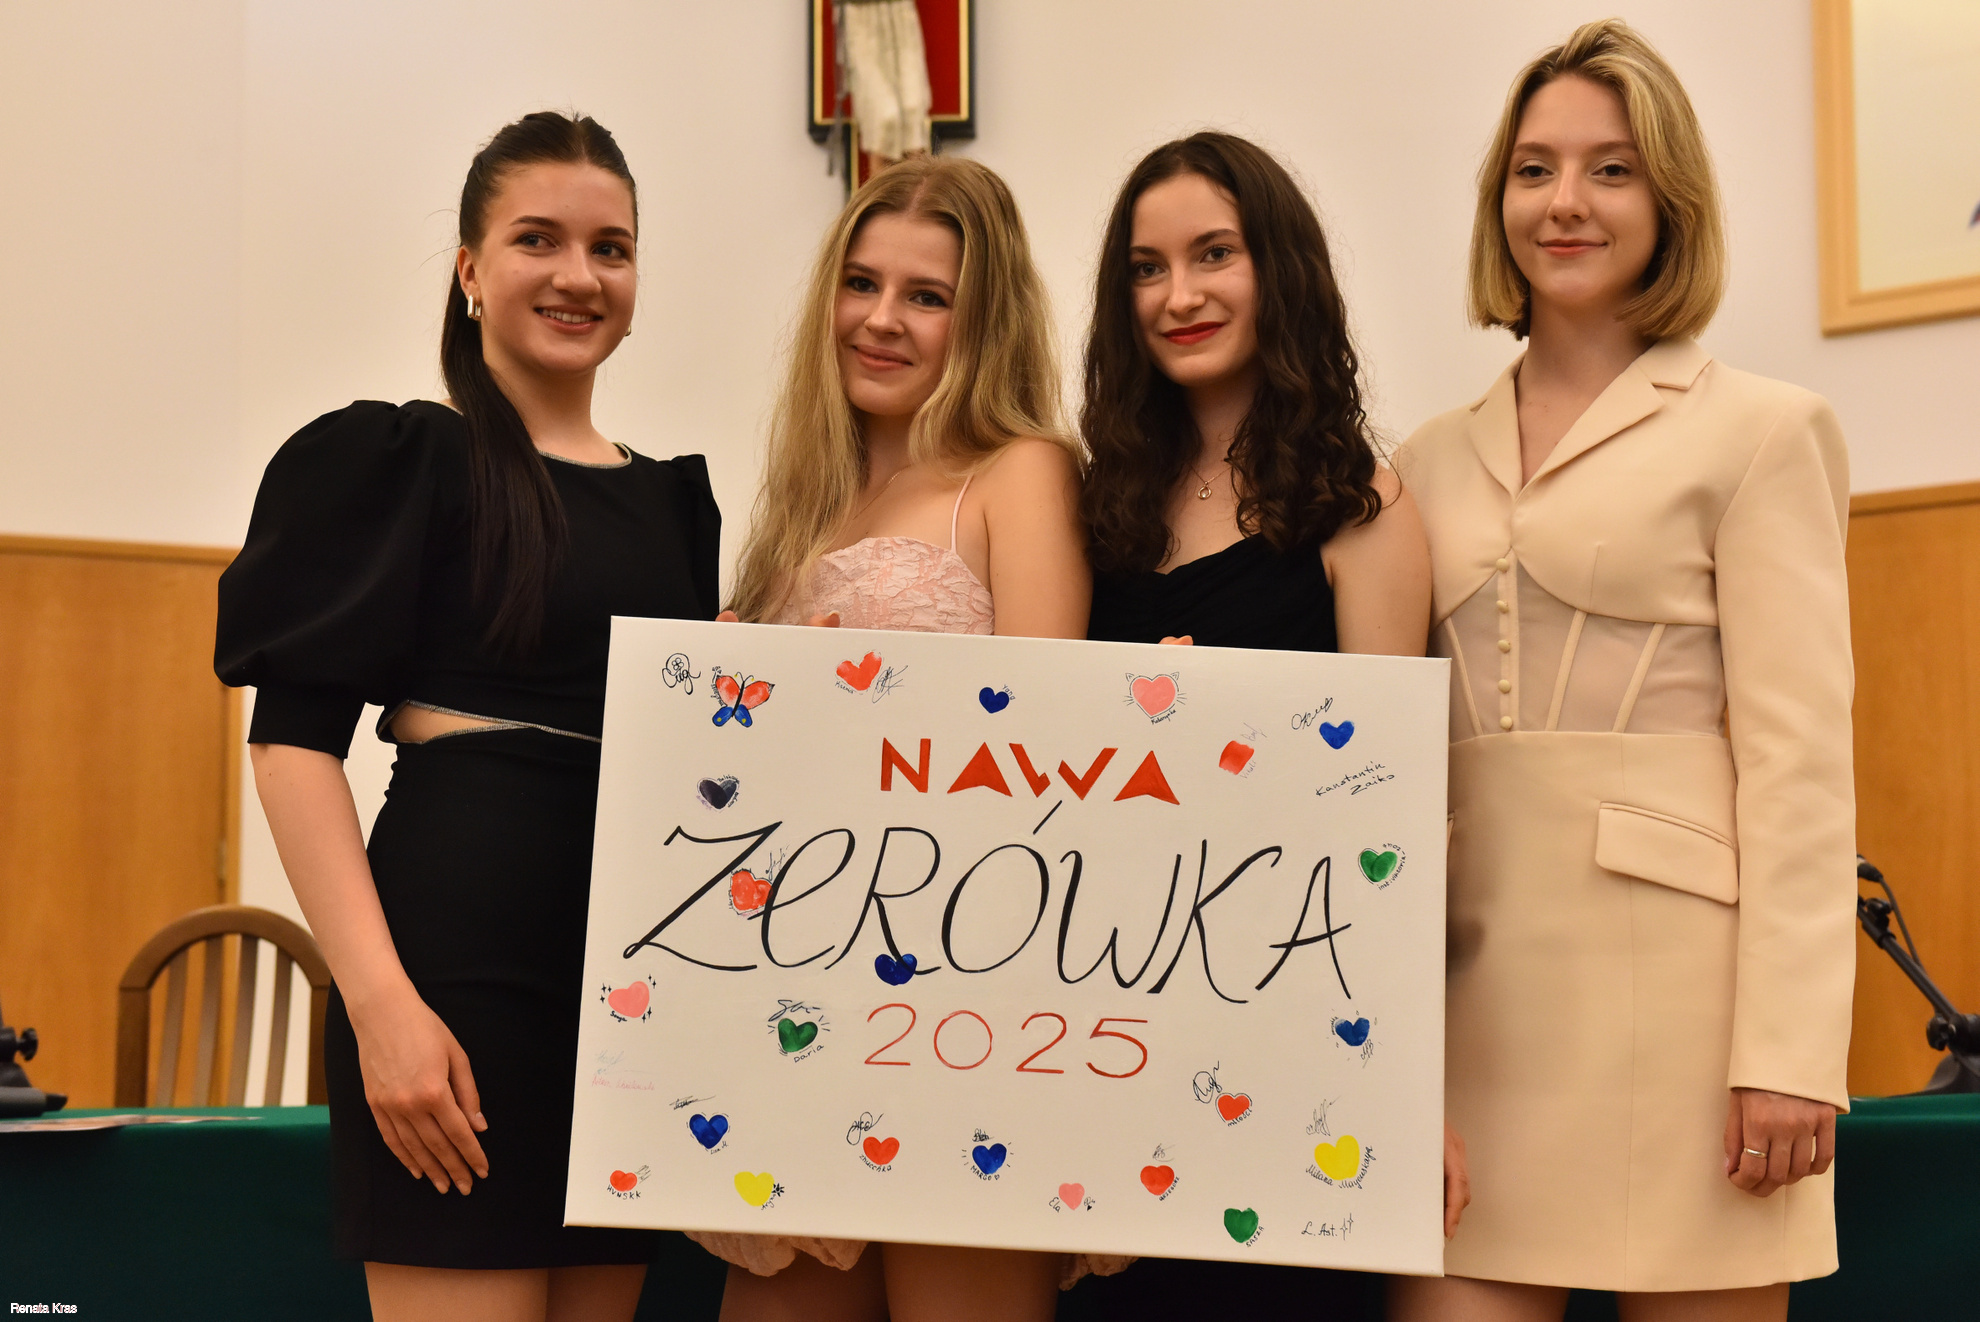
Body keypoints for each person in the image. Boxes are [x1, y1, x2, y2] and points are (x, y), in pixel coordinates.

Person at [216, 112, 720, 1322]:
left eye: (610, 248)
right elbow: (291, 749)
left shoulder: (675, 506)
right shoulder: (399, 457)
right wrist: (382, 1005)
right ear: (470, 270)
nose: (578, 274)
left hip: (630, 997)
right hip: (454, 979)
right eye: (537, 239)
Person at [1389, 20, 1854, 1321]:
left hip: (1688, 1025)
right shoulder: (1423, 458)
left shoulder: (1763, 430)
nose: (1566, 202)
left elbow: (1803, 765)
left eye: (1611, 169)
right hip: (1474, 1014)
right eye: (1533, 169)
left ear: (1669, 199)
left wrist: (1789, 1050)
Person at [700, 154, 1101, 1322]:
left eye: (927, 295)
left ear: (982, 322)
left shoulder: (1021, 473)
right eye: (862, 282)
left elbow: (1046, 753)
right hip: (801, 988)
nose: (882, 318)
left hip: (959, 995)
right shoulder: (801, 504)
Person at [1070, 130, 1449, 1318]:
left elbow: (1386, 813)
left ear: (1278, 267)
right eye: (1146, 268)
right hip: (1110, 1022)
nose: (1177, 295)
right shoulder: (1099, 502)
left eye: (1213, 254)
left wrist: (1406, 1079)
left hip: (1287, 1027)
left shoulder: (1360, 502)